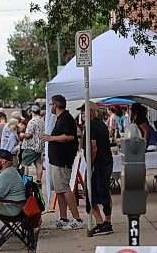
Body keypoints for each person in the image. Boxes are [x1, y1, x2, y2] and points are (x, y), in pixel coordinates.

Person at [42, 94, 84, 230]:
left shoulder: (66, 118)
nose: (51, 108)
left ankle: (77, 218)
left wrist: (51, 138)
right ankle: (63, 218)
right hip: (55, 160)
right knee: (59, 190)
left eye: (51, 105)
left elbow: (70, 136)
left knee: (64, 188)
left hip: (62, 161)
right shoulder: (59, 118)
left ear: (55, 104)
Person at [78, 101, 114, 236]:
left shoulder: (92, 126)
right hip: (105, 163)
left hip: (98, 164)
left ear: (91, 112)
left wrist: (90, 165)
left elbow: (93, 147)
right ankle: (106, 222)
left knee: (89, 195)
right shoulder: (102, 125)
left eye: (83, 111)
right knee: (105, 193)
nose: (82, 114)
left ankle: (101, 223)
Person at [20, 105, 45, 183]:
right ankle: (38, 181)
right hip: (39, 146)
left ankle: (25, 181)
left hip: (31, 146)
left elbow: (29, 135)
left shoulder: (32, 121)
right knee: (39, 164)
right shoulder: (41, 120)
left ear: (31, 112)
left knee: (25, 164)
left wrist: (22, 135)